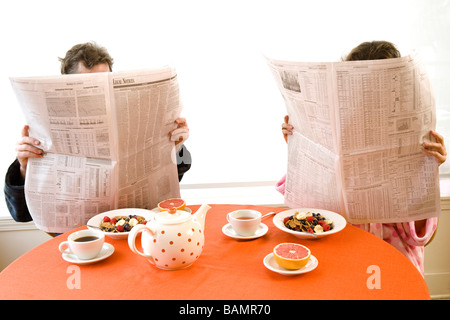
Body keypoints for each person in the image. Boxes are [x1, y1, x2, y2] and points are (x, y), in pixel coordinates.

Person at [278, 41, 447, 276]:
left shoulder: (411, 146)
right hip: (341, 266)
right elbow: (307, 217)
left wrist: (428, 172)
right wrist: (300, 148)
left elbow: (419, 237)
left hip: (395, 269)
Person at [4, 42, 192, 227]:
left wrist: (175, 146)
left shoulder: (134, 121)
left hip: (132, 233)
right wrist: (23, 167)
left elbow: (169, 184)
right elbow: (20, 214)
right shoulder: (44, 133)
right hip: (78, 242)